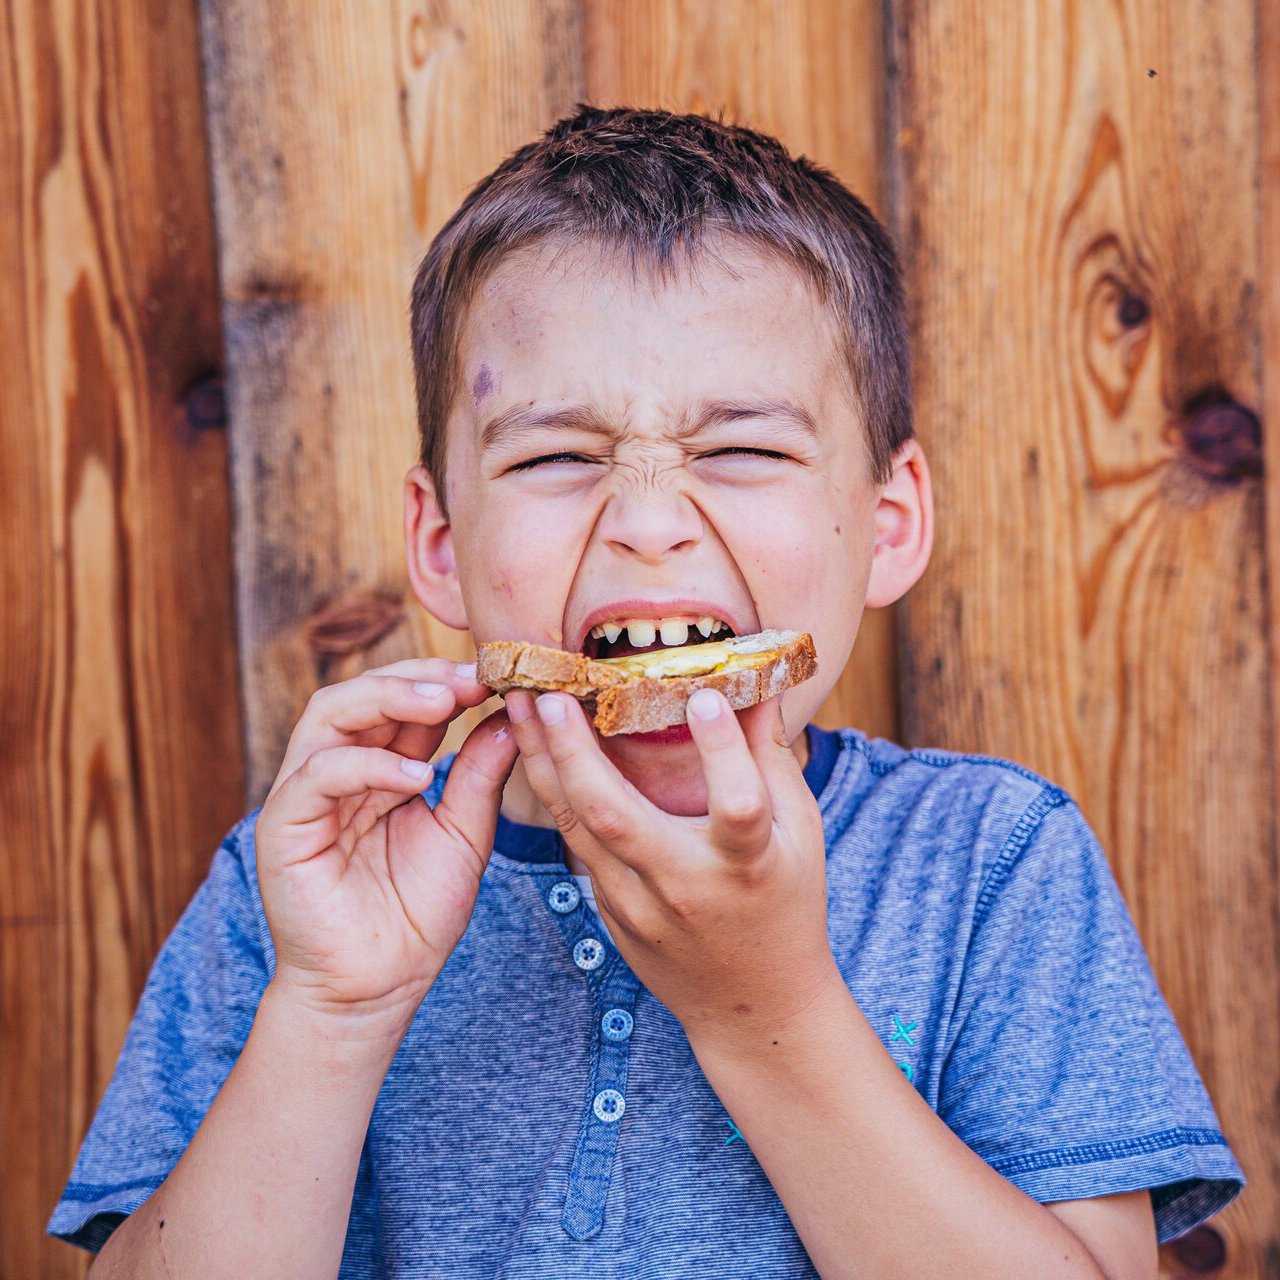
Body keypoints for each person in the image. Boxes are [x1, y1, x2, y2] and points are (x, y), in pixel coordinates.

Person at [50, 105, 1242, 1279]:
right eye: (556, 455)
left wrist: (763, 1011)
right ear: (438, 538)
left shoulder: (989, 861)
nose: (647, 522)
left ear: (885, 525)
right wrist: (330, 1012)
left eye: (743, 448)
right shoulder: (309, 888)